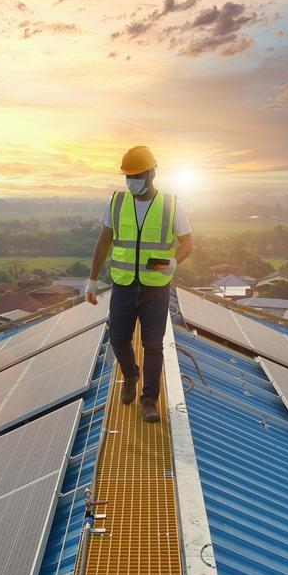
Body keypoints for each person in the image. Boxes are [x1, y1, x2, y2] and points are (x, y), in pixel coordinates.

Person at [85, 146, 193, 423]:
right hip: (122, 283)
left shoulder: (171, 204)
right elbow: (104, 240)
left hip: (156, 286)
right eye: (128, 176)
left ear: (152, 173)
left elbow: (188, 242)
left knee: (153, 343)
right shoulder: (118, 202)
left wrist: (175, 261)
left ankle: (150, 400)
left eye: (137, 175)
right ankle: (131, 374)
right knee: (119, 337)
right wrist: (92, 279)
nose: (131, 180)